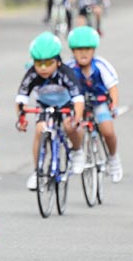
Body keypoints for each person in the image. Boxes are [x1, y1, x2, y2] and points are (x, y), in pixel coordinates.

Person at [16, 32, 85, 191]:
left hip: (66, 104)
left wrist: (77, 118)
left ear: (58, 61)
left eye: (48, 63)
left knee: (70, 126)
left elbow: (78, 99)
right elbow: (21, 99)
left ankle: (77, 150)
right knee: (40, 130)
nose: (44, 68)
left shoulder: (66, 72)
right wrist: (21, 118)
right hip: (44, 105)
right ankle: (38, 172)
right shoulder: (32, 73)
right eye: (39, 63)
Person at [65, 26, 123, 183]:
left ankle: (113, 158)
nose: (83, 53)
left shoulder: (101, 65)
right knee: (73, 128)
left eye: (88, 49)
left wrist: (114, 105)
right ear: (72, 51)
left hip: (99, 101)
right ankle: (77, 152)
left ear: (94, 50)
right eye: (79, 50)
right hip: (78, 104)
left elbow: (112, 87)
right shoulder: (69, 68)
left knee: (107, 131)